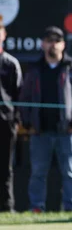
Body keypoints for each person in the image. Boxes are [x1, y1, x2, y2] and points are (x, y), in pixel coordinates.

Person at [19, 26, 72, 212]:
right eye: (49, 40)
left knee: (70, 172)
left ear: (63, 45)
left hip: (67, 131)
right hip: (40, 131)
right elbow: (24, 98)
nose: (53, 44)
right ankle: (36, 207)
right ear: (43, 44)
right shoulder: (35, 69)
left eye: (57, 40)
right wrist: (27, 122)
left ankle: (71, 207)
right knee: (38, 173)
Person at [0, 21, 22, 212]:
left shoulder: (11, 63)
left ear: (4, 35)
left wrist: (15, 121)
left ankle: (7, 208)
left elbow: (19, 95)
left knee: (5, 167)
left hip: (5, 122)